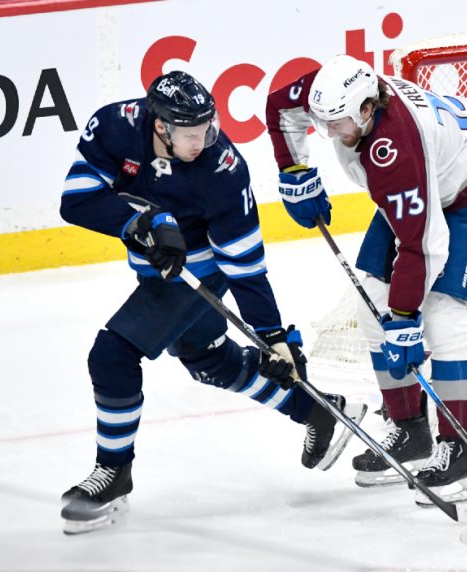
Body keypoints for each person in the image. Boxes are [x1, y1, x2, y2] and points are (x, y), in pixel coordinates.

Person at [58, 72, 365, 534]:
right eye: (190, 133)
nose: (203, 140)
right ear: (159, 126)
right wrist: (143, 223)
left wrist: (272, 336)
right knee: (206, 358)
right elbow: (77, 198)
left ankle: (113, 472)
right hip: (157, 267)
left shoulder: (222, 170)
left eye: (208, 127)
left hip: (197, 270)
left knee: (113, 355)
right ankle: (316, 409)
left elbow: (244, 264)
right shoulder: (116, 127)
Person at [265, 55, 467, 504]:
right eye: (324, 122)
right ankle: (411, 431)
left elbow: (424, 245)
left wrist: (405, 318)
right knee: (371, 305)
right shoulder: (335, 95)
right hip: (422, 182)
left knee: (442, 317)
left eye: (336, 123)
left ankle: (460, 453)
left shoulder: (395, 150)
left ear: (366, 109)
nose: (329, 133)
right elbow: (279, 108)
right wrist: (294, 170)